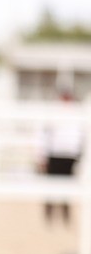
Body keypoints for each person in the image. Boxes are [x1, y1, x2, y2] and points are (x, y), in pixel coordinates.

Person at [41, 89, 84, 226]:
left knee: (65, 187)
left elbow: (80, 135)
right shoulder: (55, 111)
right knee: (51, 187)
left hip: (67, 153)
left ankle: (64, 217)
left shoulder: (75, 112)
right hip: (56, 153)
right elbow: (45, 134)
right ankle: (50, 216)